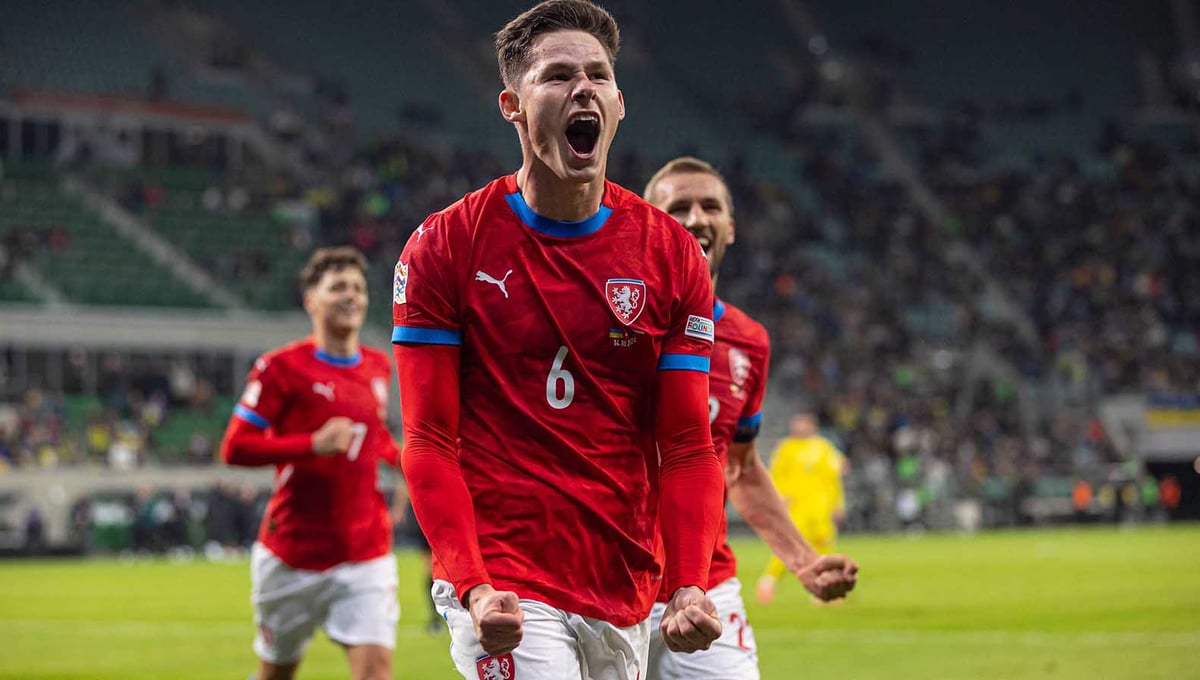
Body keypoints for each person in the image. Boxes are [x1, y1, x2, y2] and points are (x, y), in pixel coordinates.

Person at [391, 2, 726, 678]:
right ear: (511, 106)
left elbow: (688, 444)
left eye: (598, 75)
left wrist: (690, 581)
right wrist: (472, 583)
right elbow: (428, 437)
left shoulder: (670, 254)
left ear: (620, 104)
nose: (583, 89)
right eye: (558, 76)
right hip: (505, 580)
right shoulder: (445, 245)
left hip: (621, 575)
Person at [643, 157, 859, 679]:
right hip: (607, 583)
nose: (697, 218)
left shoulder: (748, 341)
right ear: (647, 226)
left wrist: (803, 561)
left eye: (710, 206)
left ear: (731, 228)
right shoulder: (610, 322)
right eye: (678, 207)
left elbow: (738, 465)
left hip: (707, 583)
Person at [219, 247, 401, 680]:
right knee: (276, 673)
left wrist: (410, 464)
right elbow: (235, 448)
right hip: (292, 554)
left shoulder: (379, 366)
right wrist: (311, 444)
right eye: (338, 287)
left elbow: (372, 436)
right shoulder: (280, 368)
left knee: (376, 672)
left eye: (357, 288)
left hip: (364, 552)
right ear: (311, 301)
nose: (351, 295)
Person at [756, 412, 848, 605]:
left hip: (821, 507)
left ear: (813, 425)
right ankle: (769, 580)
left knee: (824, 546)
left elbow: (835, 475)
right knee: (792, 546)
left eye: (803, 423)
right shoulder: (786, 448)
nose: (800, 427)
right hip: (796, 507)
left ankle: (822, 590)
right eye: (797, 423)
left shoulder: (823, 447)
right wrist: (779, 497)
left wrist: (838, 503)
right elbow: (775, 475)